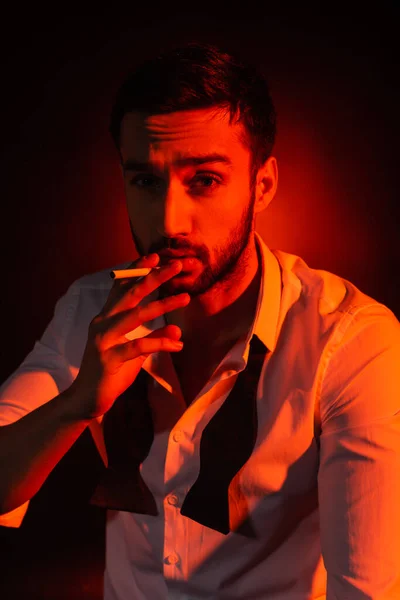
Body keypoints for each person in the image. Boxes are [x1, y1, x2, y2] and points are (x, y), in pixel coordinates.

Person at [0, 41, 399, 600]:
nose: (169, 220)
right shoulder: (93, 310)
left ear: (262, 184)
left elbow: (367, 590)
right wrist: (78, 403)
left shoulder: (352, 341)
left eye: (204, 180)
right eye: (144, 180)